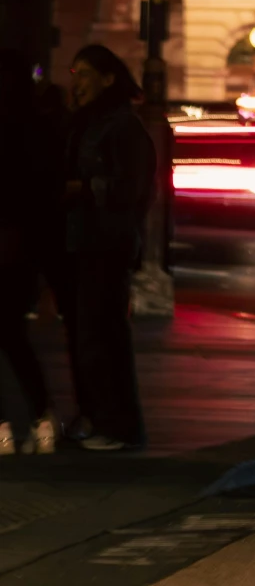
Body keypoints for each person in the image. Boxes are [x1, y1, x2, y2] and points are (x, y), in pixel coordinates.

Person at [61, 44, 152, 451]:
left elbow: (129, 189)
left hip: (106, 241)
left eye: (83, 73)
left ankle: (117, 424)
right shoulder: (88, 122)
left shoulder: (122, 127)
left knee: (103, 334)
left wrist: (84, 189)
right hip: (83, 238)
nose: (76, 82)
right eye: (73, 73)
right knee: (87, 333)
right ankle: (96, 416)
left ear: (108, 78)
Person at [0, 52, 62, 455]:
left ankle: (10, 426)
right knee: (12, 336)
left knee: (8, 335)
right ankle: (40, 420)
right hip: (19, 246)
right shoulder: (38, 128)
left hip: (10, 241)